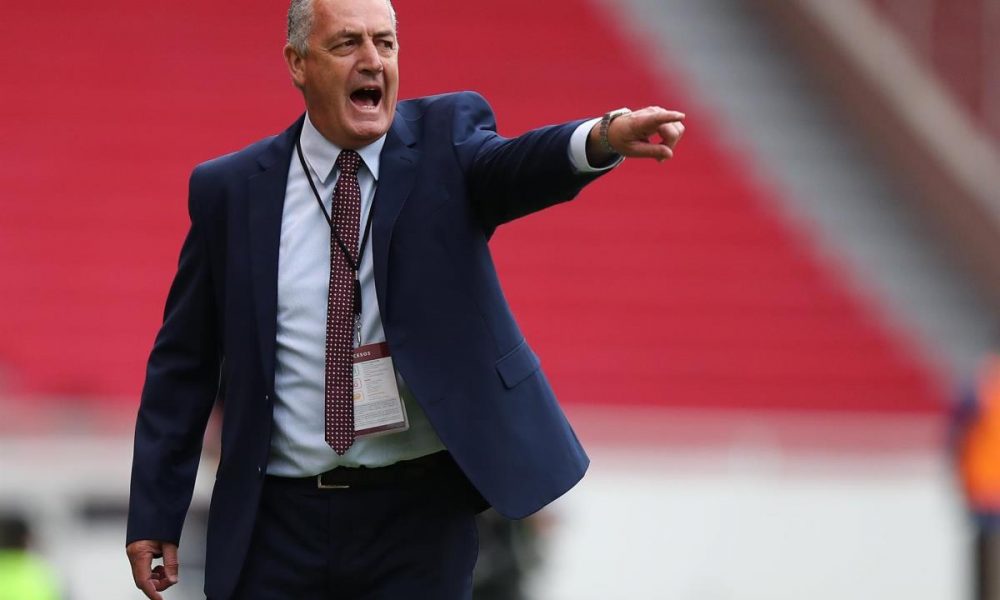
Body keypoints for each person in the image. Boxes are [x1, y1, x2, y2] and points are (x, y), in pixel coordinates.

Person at [125, 0, 685, 598]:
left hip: (417, 517)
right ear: (297, 63)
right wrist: (157, 510)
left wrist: (598, 139)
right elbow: (183, 366)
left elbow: (514, 166)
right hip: (274, 520)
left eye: (386, 44)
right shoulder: (229, 191)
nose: (373, 61)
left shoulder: (447, 139)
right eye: (347, 45)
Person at [954, 346, 1000, 600]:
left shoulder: (982, 385)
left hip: (984, 487)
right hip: (986, 490)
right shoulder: (983, 388)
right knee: (989, 558)